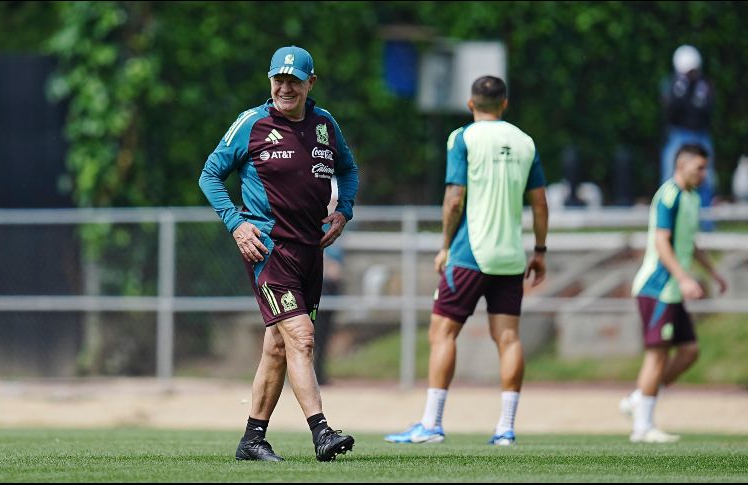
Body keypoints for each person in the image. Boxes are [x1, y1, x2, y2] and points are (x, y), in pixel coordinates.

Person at [198, 45, 359, 462]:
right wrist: (236, 223)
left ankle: (252, 439)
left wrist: (343, 211)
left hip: (311, 251)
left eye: (293, 80)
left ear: (311, 83)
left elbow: (349, 169)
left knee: (277, 345)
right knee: (302, 339)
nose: (284, 87)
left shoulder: (325, 125)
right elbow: (210, 174)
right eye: (277, 80)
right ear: (269, 81)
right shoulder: (252, 123)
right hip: (269, 251)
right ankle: (321, 432)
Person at [384, 75, 549, 446]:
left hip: (470, 254)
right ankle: (506, 429)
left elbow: (454, 198)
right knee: (508, 339)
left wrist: (445, 245)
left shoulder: (463, 138)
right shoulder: (525, 142)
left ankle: (431, 424)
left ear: (471, 104)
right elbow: (539, 203)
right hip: (510, 257)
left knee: (442, 333)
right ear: (505, 104)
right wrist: (539, 251)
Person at [620, 144, 728, 443]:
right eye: (699, 168)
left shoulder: (692, 198)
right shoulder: (668, 195)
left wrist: (712, 272)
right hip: (657, 288)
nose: (704, 174)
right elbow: (662, 243)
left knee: (689, 351)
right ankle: (641, 427)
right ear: (682, 166)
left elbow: (689, 242)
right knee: (657, 356)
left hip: (672, 290)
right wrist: (683, 277)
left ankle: (639, 398)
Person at [660, 45, 716, 231]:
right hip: (679, 134)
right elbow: (671, 111)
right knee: (671, 176)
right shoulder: (673, 85)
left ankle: (706, 223)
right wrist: (682, 91)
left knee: (705, 177)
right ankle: (668, 220)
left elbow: (705, 111)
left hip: (700, 134)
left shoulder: (704, 85)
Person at [315, 177, 345, 386]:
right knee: (309, 331)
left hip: (332, 286)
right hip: (319, 283)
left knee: (324, 334)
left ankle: (319, 373)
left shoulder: (337, 224)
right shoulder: (317, 222)